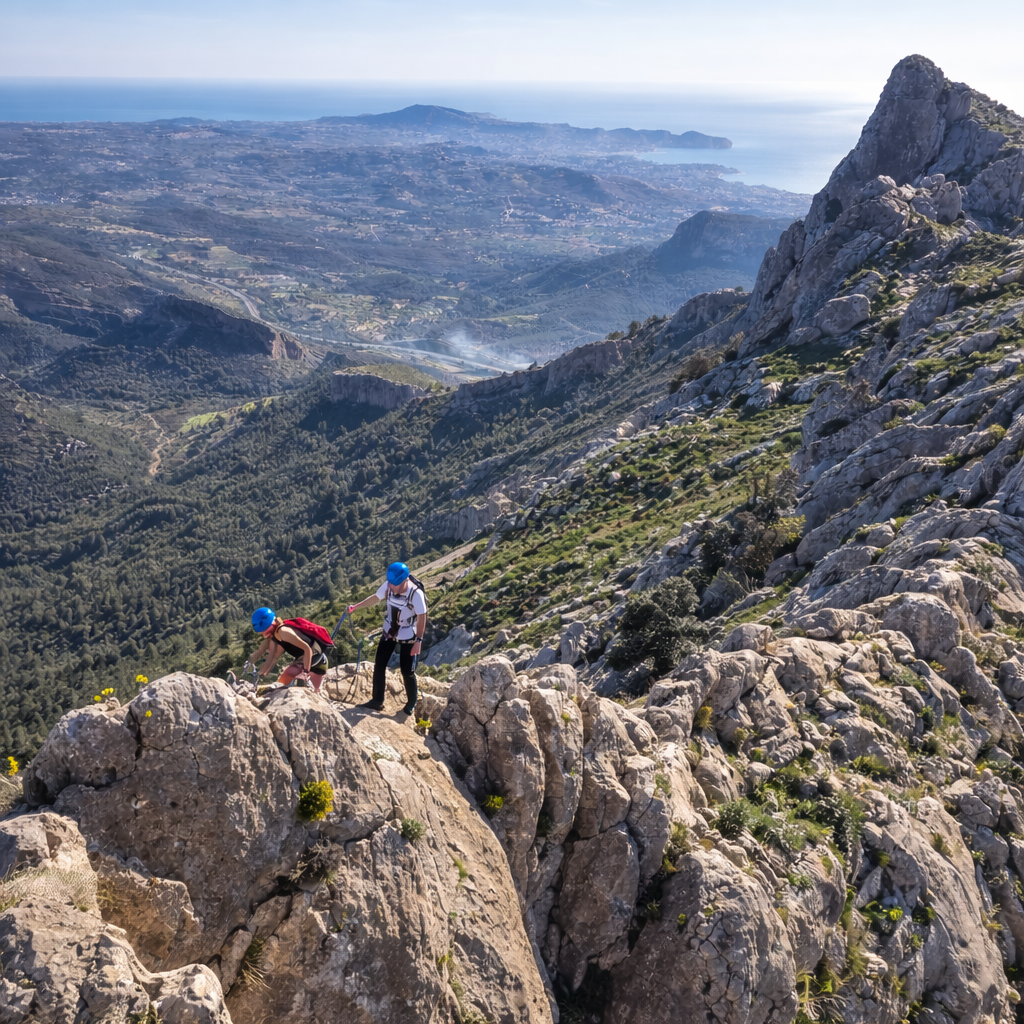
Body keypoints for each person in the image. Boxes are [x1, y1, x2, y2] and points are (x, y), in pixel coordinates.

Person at [347, 562, 426, 714]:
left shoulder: (416, 594)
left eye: (395, 584)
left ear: (405, 581)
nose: (392, 587)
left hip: (408, 633)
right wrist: (356, 606)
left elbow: (422, 617)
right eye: (390, 583)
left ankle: (412, 701)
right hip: (390, 629)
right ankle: (377, 700)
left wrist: (419, 640)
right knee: (379, 664)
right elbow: (375, 598)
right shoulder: (390, 585)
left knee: (406, 670)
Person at [249, 607, 328, 694]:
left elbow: (307, 649)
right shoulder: (278, 633)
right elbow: (276, 655)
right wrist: (265, 670)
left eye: (263, 631)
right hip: (318, 661)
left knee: (285, 679)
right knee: (316, 692)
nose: (263, 634)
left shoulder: (283, 632)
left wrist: (305, 672)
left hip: (314, 658)